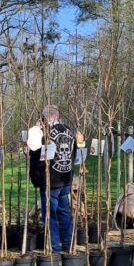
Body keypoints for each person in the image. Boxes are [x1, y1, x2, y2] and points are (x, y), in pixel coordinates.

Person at [29, 105, 76, 253]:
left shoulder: (44, 132)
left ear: (46, 117)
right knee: (65, 212)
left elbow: (35, 151)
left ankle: (54, 248)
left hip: (50, 180)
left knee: (50, 215)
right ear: (57, 115)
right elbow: (73, 154)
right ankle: (68, 244)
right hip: (65, 177)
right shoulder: (69, 130)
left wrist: (37, 130)